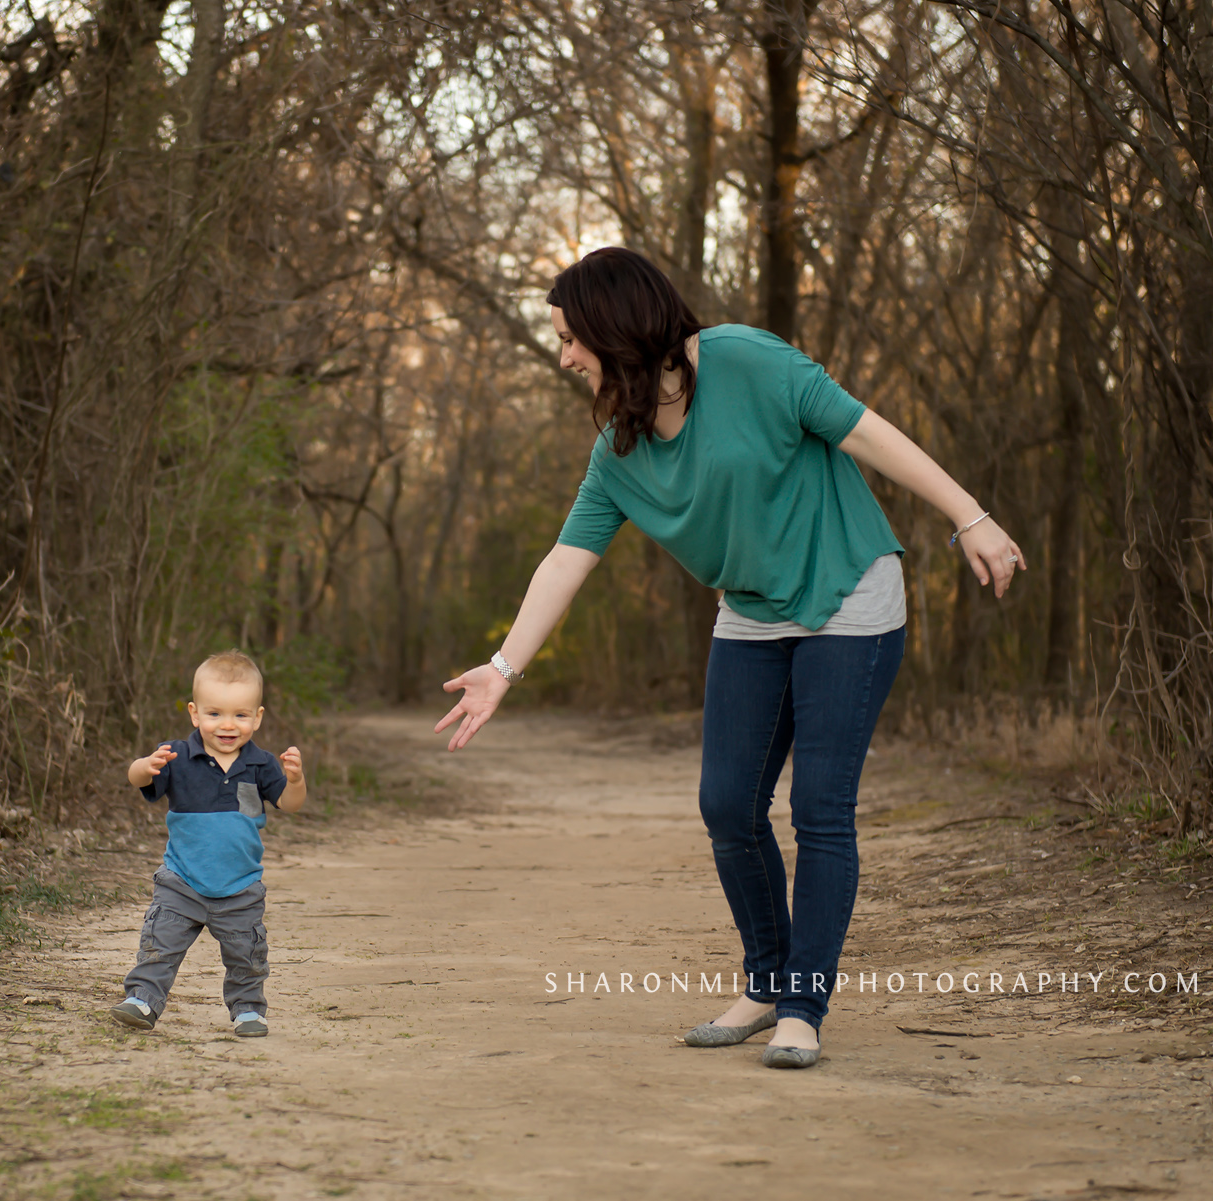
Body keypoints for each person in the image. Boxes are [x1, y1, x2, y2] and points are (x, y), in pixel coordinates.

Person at [435, 248, 1023, 1069]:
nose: (565, 354)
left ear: (614, 327)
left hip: (848, 592)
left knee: (820, 806)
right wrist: (502, 668)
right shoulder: (620, 448)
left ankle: (802, 1008)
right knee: (728, 805)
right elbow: (566, 558)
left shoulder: (748, 360)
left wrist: (971, 517)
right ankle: (765, 980)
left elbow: (868, 432)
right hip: (751, 612)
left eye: (571, 336)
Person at [111, 650, 307, 1038]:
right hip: (181, 882)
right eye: (215, 713)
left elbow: (290, 804)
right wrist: (143, 766)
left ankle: (248, 1008)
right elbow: (137, 779)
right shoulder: (177, 757)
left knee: (246, 955)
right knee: (159, 945)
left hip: (239, 888)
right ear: (194, 713)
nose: (227, 725)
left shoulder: (262, 764)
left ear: (258, 717)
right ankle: (143, 1000)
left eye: (240, 714)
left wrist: (296, 780)